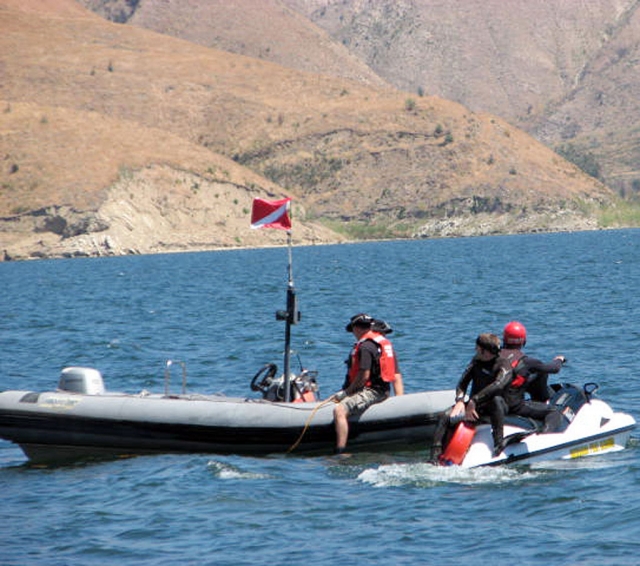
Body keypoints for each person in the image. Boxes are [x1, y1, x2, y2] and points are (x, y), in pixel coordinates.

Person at [431, 333, 513, 462]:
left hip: (497, 407)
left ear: (483, 350)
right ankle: (435, 457)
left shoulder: (504, 365)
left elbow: (498, 386)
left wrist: (474, 400)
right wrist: (460, 401)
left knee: (496, 400)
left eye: (477, 347)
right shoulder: (476, 361)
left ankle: (498, 443)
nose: (475, 350)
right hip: (475, 407)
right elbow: (462, 384)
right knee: (444, 416)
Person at [332, 313, 395, 454]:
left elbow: (364, 375)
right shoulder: (377, 343)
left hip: (374, 391)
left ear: (356, 328)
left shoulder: (366, 347)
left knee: (339, 410)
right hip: (380, 388)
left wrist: (347, 392)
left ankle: (341, 451)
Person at [500, 321, 565, 432]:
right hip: (514, 407)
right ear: (523, 341)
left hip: (495, 403)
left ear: (504, 339)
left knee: (539, 374)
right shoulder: (526, 361)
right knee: (554, 412)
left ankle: (540, 403)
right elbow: (554, 368)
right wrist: (559, 360)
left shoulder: (493, 356)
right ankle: (545, 436)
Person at [371, 318, 404, 396]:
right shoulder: (365, 348)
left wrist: (400, 400)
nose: (384, 336)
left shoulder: (387, 350)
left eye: (384, 334)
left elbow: (396, 376)